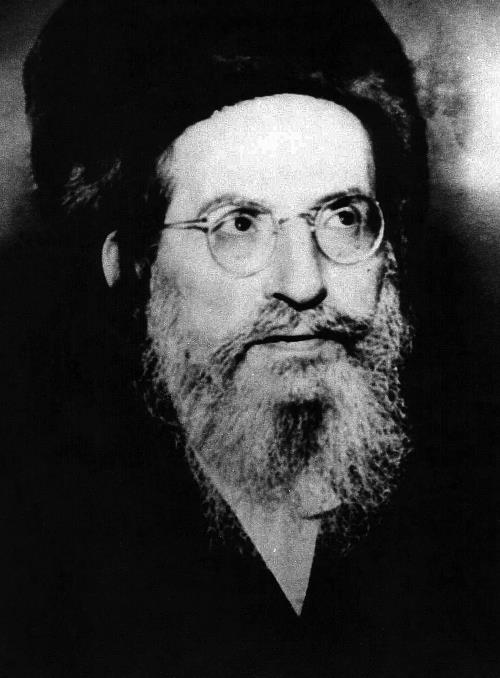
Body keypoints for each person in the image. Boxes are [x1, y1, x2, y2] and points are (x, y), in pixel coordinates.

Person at [7, 0, 492, 676]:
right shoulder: (36, 549)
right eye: (238, 225)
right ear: (130, 266)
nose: (305, 282)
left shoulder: (467, 511)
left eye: (343, 217)